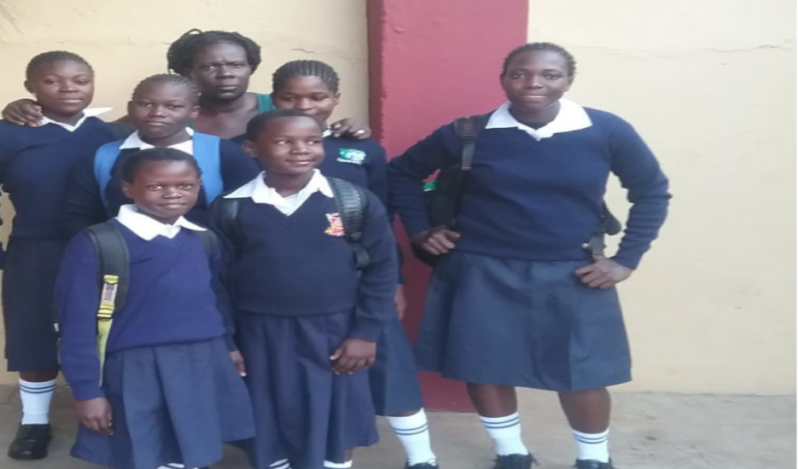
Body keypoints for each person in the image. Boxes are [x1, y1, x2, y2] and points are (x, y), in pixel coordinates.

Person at [387, 43, 671, 469]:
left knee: (582, 372)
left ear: (568, 81)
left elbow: (651, 192)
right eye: (519, 74)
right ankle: (511, 452)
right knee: (485, 366)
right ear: (503, 79)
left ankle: (594, 459)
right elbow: (401, 173)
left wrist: (626, 259)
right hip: (480, 268)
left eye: (550, 75)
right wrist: (420, 230)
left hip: (573, 270)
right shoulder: (470, 132)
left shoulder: (606, 130)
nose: (534, 83)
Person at [270, 59, 437, 469]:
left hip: (363, 280)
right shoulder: (258, 144)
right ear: (273, 100)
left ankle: (422, 458)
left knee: (391, 369)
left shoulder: (362, 150)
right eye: (290, 97)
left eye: (317, 97)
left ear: (335, 99)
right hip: (293, 288)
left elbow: (383, 220)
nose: (304, 106)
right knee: (318, 378)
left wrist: (395, 280)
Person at [212, 109, 398, 469]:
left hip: (336, 331)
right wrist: (228, 341)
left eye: (312, 141)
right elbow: (218, 281)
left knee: (337, 415)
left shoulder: (352, 201)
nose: (301, 149)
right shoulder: (231, 208)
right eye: (284, 141)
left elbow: (382, 268)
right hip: (260, 332)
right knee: (269, 413)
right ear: (251, 148)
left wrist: (366, 333)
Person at [0, 51, 117, 460]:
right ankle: (35, 421)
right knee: (35, 333)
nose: (68, 88)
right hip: (37, 249)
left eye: (80, 80)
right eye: (52, 80)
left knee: (109, 331)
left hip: (107, 251)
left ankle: (118, 412)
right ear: (30, 87)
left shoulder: (112, 134)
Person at [57, 147, 255, 469]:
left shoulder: (204, 238)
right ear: (128, 188)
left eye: (185, 185)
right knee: (148, 450)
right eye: (155, 186)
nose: (172, 193)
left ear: (199, 185)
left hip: (202, 359)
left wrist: (228, 345)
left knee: (192, 446)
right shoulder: (99, 243)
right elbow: (75, 324)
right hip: (136, 368)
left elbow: (216, 299)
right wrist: (86, 390)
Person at [0, 29, 372, 141]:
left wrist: (352, 128)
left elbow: (321, 133)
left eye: (236, 65)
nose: (225, 73)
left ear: (251, 67)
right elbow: (84, 136)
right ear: (185, 72)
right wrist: (30, 107)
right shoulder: (158, 116)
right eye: (209, 66)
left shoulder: (280, 109)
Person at [60, 73, 259, 237]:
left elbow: (248, 213)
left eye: (173, 106)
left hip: (205, 257)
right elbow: (80, 215)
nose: (157, 113)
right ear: (130, 107)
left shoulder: (223, 152)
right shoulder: (105, 156)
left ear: (193, 111)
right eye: (145, 104)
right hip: (122, 259)